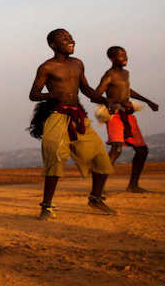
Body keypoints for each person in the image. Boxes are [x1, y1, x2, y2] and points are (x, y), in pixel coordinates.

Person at [28, 29, 114, 220]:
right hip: (57, 116)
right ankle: (46, 207)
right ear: (53, 44)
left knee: (101, 159)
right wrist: (53, 94)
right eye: (64, 38)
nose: (71, 40)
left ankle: (95, 199)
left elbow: (86, 89)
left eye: (70, 37)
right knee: (55, 159)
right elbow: (33, 94)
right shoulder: (47, 67)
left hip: (78, 117)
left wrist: (104, 100)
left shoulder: (77, 63)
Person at [95, 46, 159, 193]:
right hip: (115, 116)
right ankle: (98, 189)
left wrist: (148, 101)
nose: (125, 58)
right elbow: (96, 95)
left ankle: (133, 185)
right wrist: (111, 103)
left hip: (128, 114)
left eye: (125, 55)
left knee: (142, 150)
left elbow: (127, 91)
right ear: (112, 58)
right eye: (121, 55)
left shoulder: (125, 73)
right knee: (116, 149)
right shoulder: (109, 75)